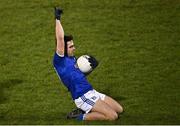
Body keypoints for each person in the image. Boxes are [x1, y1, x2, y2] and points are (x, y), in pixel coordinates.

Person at [53, 7, 123, 121]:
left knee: (119, 109)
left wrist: (91, 67)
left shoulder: (73, 59)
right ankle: (79, 116)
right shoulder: (59, 60)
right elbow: (60, 39)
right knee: (113, 116)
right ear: (63, 49)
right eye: (71, 47)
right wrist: (57, 18)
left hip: (91, 91)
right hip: (82, 97)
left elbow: (78, 76)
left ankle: (87, 109)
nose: (74, 48)